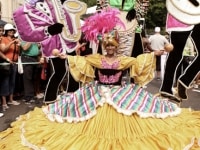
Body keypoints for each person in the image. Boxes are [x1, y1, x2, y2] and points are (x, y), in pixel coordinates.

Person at [1, 8, 200, 150]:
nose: (110, 48)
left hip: (121, 92)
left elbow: (139, 60)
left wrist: (156, 54)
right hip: (96, 92)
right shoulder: (97, 58)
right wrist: (64, 56)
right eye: (108, 46)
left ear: (116, 46)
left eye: (113, 45)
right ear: (105, 46)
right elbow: (80, 60)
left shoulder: (123, 59)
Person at [13, 0, 87, 104]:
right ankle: (50, 99)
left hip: (68, 41)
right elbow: (26, 34)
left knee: (74, 68)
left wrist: (75, 35)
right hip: (53, 45)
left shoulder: (55, 3)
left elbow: (68, 20)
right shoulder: (20, 11)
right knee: (59, 71)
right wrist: (48, 30)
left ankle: (74, 97)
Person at [160, 0, 200, 103]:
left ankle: (185, 80)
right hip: (181, 15)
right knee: (175, 55)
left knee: (175, 55)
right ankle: (166, 88)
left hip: (197, 14)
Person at [0, 23, 20, 112]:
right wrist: (12, 42)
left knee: (12, 82)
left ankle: (11, 100)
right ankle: (4, 102)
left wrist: (19, 45)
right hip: (6, 63)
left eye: (13, 30)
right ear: (6, 32)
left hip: (14, 63)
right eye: (10, 30)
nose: (12, 31)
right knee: (5, 82)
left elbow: (18, 52)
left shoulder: (15, 40)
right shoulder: (3, 39)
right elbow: (3, 50)